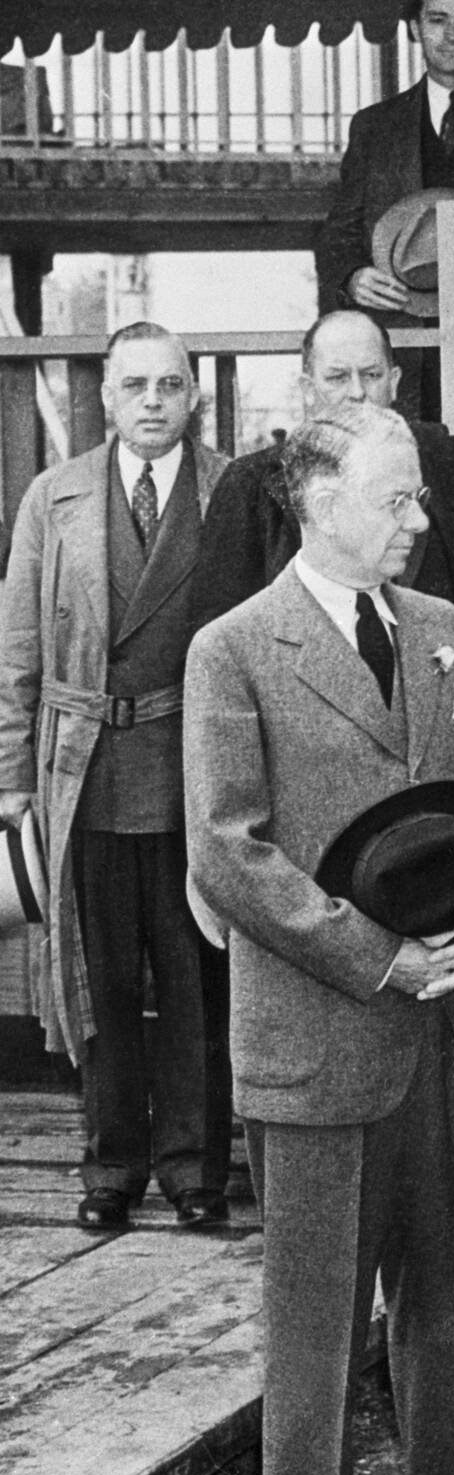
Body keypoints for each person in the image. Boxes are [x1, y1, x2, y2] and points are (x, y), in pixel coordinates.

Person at [184, 399, 454, 1475]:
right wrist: (386, 958)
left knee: (450, 1297)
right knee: (316, 1321)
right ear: (317, 499)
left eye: (421, 497)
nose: (421, 520)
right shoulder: (234, 647)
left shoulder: (441, 629)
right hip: (323, 1030)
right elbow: (231, 848)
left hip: (450, 1034)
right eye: (397, 498)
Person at [0, 322, 231, 1230]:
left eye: (169, 386)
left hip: (192, 774)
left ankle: (194, 1170)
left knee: (192, 981)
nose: (152, 403)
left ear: (191, 397)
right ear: (106, 395)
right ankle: (111, 1167)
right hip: (84, 772)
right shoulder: (51, 499)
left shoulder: (232, 493)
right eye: (134, 386)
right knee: (95, 979)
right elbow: (17, 647)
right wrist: (11, 776)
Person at [190, 309, 454, 691]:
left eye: (371, 375)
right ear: (307, 390)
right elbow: (222, 651)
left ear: (395, 382)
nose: (357, 392)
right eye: (337, 377)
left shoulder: (447, 465)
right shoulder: (251, 485)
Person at [314, 0, 454, 318]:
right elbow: (338, 237)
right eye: (438, 20)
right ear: (415, 28)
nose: (452, 36)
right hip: (406, 345)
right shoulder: (374, 127)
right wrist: (352, 277)